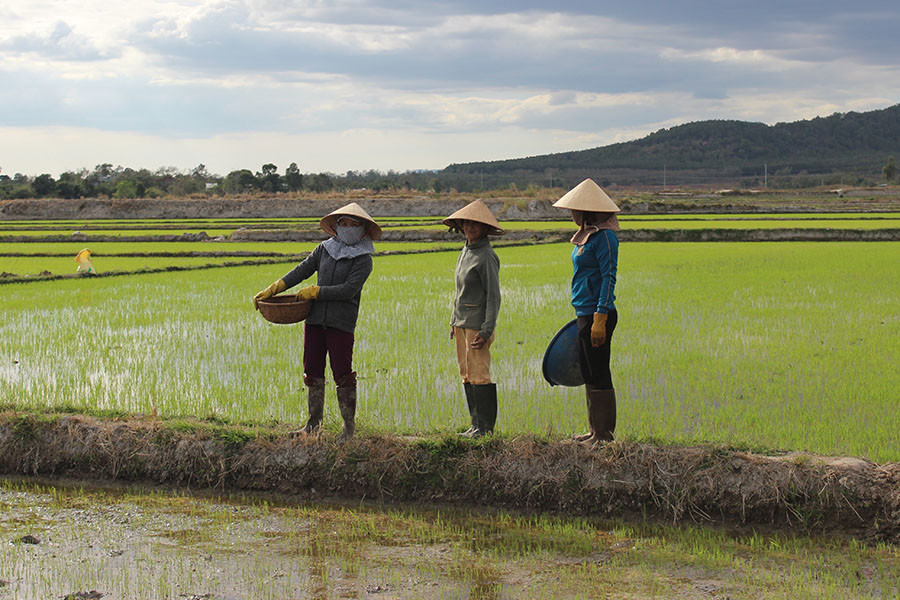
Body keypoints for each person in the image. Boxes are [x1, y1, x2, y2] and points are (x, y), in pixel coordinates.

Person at [253, 202, 381, 442]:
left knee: (342, 373)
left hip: (340, 323)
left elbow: (348, 290)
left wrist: (316, 292)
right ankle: (313, 424)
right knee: (312, 370)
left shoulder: (364, 260)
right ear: (337, 226)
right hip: (314, 321)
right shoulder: (324, 249)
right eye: (344, 223)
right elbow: (302, 270)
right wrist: (275, 288)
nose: (349, 227)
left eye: (355, 224)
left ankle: (348, 428)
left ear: (363, 229)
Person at [552, 179, 620, 445]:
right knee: (589, 372)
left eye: (575, 209)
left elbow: (608, 277)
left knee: (600, 371)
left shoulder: (605, 237)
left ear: (587, 212)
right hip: (583, 312)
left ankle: (604, 435)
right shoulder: (587, 235)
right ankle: (593, 431)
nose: (572, 214)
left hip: (597, 314)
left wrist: (600, 318)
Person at [443, 200, 503, 437]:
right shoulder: (466, 250)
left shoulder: (487, 256)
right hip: (461, 323)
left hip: (477, 325)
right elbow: (460, 291)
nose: (470, 227)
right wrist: (453, 320)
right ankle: (475, 425)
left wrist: (486, 330)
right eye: (467, 222)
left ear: (485, 228)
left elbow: (493, 297)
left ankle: (485, 429)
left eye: (476, 224)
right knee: (466, 373)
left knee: (480, 374)